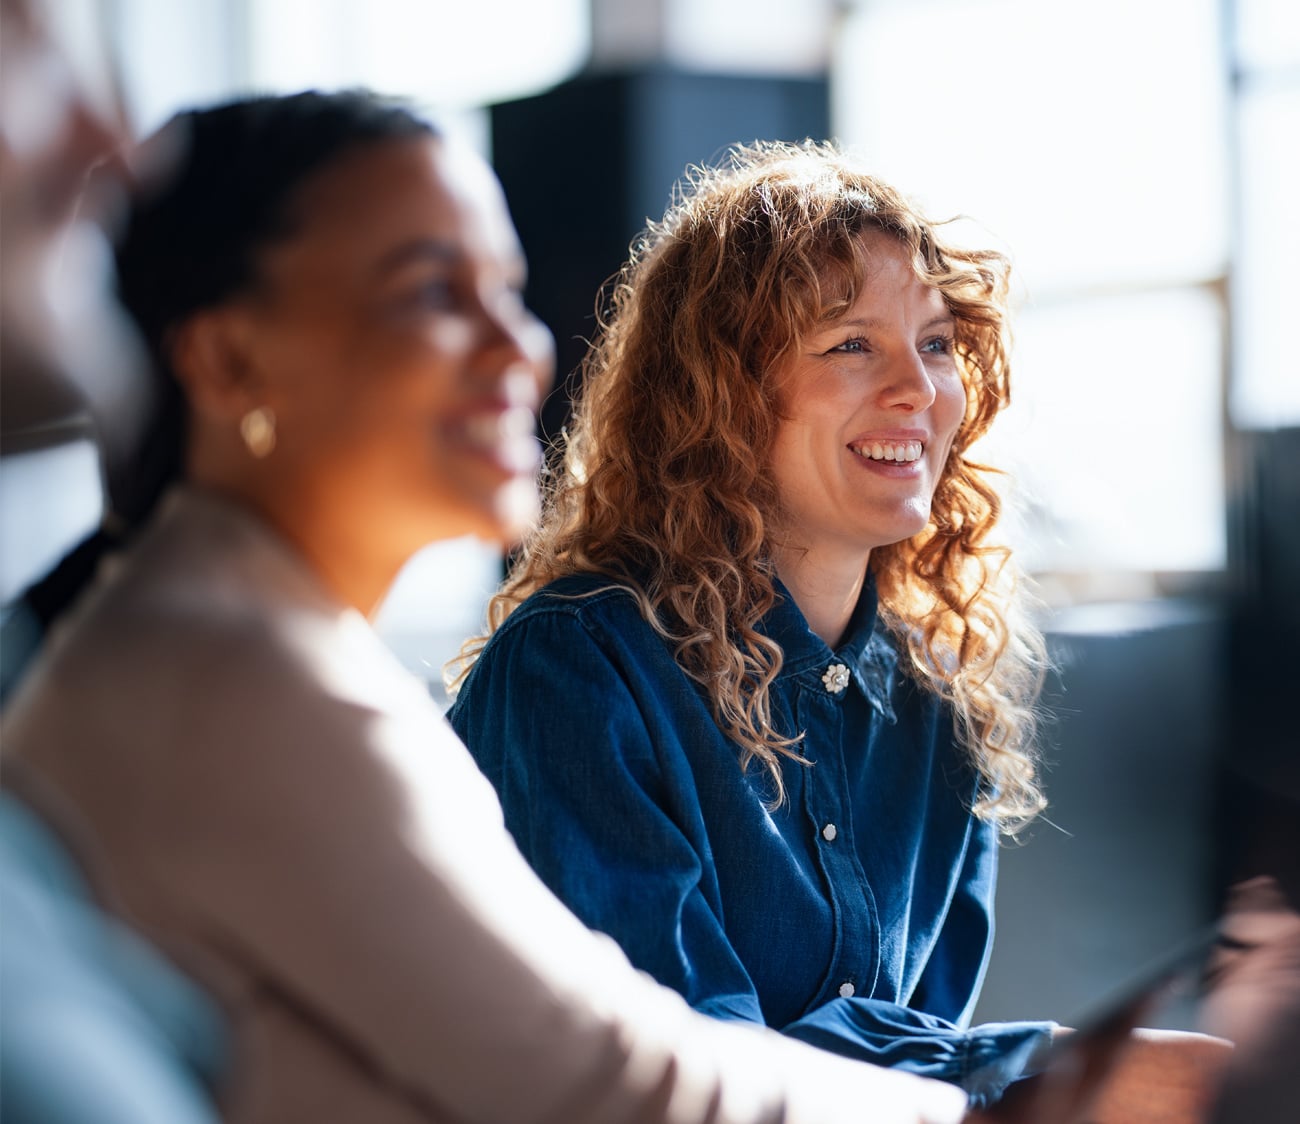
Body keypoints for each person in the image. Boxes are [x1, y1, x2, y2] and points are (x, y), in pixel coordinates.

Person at [1, 87, 979, 1123]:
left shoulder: (255, 641)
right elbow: (612, 1085)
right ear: (229, 357)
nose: (519, 348)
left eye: (506, 291)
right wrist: (993, 1104)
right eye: (431, 292)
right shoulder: (226, 671)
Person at [447, 141, 1229, 1113]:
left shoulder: (934, 706)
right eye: (849, 342)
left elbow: (911, 1056)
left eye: (937, 343)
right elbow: (673, 1072)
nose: (916, 388)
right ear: (721, 395)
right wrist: (1053, 1072)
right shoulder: (578, 666)